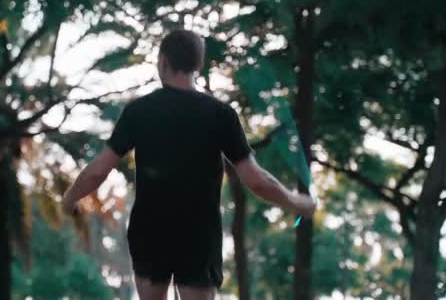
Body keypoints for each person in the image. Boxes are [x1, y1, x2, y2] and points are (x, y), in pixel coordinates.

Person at [61, 29, 317, 300]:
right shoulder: (220, 115)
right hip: (199, 238)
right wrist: (296, 202)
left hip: (151, 233)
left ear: (163, 62)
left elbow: (99, 170)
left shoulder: (139, 112)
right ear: (198, 65)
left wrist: (70, 198)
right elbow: (255, 179)